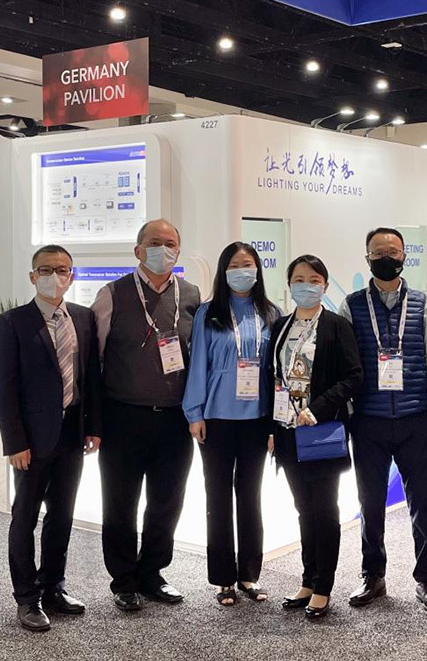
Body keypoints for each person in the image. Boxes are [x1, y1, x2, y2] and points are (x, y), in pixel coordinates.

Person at [91, 219, 201, 612]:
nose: (163, 249)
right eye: (155, 242)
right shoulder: (112, 294)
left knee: (166, 501)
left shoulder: (191, 295)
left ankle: (152, 573)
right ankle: (123, 580)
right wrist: (94, 421)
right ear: (138, 250)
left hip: (173, 419)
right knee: (120, 502)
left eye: (170, 243)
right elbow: (94, 360)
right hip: (123, 417)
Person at [0, 245, 102, 632]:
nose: (55, 276)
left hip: (72, 434)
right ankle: (27, 597)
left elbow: (90, 377)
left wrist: (93, 426)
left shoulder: (83, 318)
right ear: (32, 276)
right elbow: (4, 388)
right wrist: (14, 443)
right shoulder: (13, 322)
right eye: (46, 270)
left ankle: (53, 586)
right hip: (32, 440)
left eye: (63, 269)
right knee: (25, 518)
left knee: (62, 515)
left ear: (72, 275)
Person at [337, 228, 427, 613]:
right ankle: (373, 575)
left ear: (404, 255)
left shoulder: (422, 303)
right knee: (370, 503)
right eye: (378, 251)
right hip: (369, 420)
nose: (386, 257)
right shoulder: (351, 305)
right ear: (367, 257)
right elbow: (346, 363)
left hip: (416, 418)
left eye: (393, 251)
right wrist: (352, 413)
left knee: (423, 503)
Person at [264, 255, 363, 621]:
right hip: (287, 430)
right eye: (299, 279)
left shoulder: (337, 326)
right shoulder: (281, 326)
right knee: (303, 508)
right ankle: (308, 579)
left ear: (324, 284)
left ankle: (323, 586)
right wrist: (271, 427)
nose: (306, 285)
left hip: (320, 431)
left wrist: (318, 408)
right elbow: (273, 378)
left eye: (314, 279)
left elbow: (354, 376)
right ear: (289, 284)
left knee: (324, 509)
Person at [183, 242, 280, 606]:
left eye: (249, 264)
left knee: (251, 496)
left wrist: (276, 423)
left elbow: (277, 372)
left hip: (257, 419)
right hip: (216, 418)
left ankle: (249, 574)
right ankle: (223, 577)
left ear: (258, 270)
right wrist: (194, 413)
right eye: (236, 265)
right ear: (225, 272)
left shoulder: (271, 313)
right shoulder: (208, 313)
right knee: (218, 497)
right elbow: (198, 365)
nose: (243, 271)